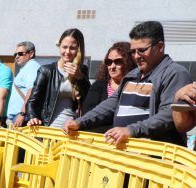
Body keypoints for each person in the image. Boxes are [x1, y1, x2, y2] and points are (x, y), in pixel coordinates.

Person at [64, 21, 192, 147]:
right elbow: (111, 104)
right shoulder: (132, 75)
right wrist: (80, 122)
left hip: (155, 160)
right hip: (125, 155)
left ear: (160, 47)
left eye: (142, 50)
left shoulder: (175, 73)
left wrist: (131, 130)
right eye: (133, 51)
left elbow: (168, 115)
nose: (136, 56)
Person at [26, 29, 89, 129]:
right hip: (49, 127)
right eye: (64, 47)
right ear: (59, 46)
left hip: (72, 130)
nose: (67, 52)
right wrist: (33, 117)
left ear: (79, 49)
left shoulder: (82, 70)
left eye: (72, 48)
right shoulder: (46, 70)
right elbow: (32, 101)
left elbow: (89, 100)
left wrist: (80, 78)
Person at [6, 41, 40, 128]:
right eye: (15, 54)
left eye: (20, 53)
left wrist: (22, 113)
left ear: (31, 53)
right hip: (18, 116)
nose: (17, 56)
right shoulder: (26, 68)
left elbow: (32, 90)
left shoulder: (32, 66)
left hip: (22, 117)